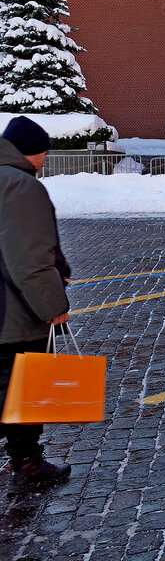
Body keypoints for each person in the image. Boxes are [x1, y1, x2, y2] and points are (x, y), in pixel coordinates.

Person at [0, 117, 73, 492]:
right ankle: (27, 463)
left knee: (17, 388)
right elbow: (30, 259)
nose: (45, 159)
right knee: (19, 390)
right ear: (31, 150)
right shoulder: (20, 185)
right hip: (15, 313)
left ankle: (26, 459)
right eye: (44, 151)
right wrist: (52, 305)